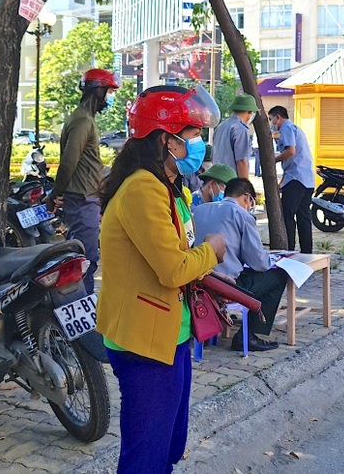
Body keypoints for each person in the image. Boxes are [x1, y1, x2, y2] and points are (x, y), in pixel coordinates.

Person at [96, 84, 228, 474]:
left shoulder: (169, 187)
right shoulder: (142, 189)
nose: (199, 144)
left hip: (172, 335)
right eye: (192, 135)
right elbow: (173, 269)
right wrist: (212, 251)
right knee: (145, 458)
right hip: (146, 343)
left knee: (168, 447)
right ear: (165, 140)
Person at [192, 178, 287, 352]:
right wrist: (271, 260)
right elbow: (259, 263)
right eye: (251, 203)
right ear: (247, 198)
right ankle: (249, 334)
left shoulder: (197, 210)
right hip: (224, 285)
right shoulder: (242, 215)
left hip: (196, 281)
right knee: (278, 276)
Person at [47, 68, 119, 293]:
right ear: (97, 91)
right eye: (108, 92)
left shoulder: (85, 119)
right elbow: (69, 162)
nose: (109, 98)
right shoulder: (82, 121)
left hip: (86, 197)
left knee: (85, 260)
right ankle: (81, 307)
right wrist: (55, 193)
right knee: (85, 262)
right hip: (82, 199)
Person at [269, 106, 315, 253]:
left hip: (296, 179)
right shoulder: (296, 128)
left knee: (287, 215)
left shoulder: (286, 128)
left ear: (278, 117)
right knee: (303, 217)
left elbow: (290, 151)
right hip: (306, 179)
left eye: (271, 119)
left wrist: (273, 160)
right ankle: (307, 252)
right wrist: (282, 181)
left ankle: (288, 249)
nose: (271, 123)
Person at [211, 93, 258, 179]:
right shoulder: (241, 129)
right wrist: (244, 184)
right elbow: (241, 161)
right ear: (250, 112)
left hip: (217, 177)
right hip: (231, 179)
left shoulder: (221, 126)